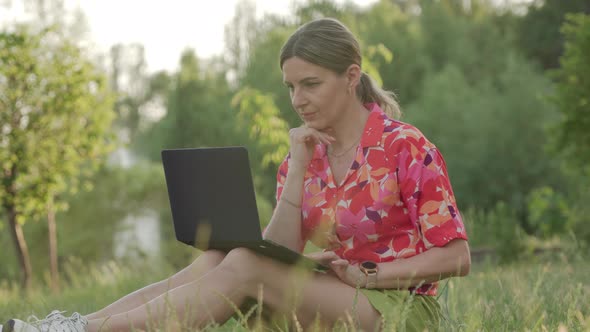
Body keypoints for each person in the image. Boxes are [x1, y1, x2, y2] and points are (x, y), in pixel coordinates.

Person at [4, 17, 470, 332]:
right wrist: (299, 167)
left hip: (401, 308)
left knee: (244, 266)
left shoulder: (403, 146)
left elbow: (457, 257)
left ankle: (80, 331)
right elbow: (283, 250)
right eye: (290, 87)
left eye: (311, 84)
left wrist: (369, 275)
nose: (298, 99)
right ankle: (74, 323)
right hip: (336, 294)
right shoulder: (302, 155)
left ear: (351, 77)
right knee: (219, 258)